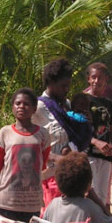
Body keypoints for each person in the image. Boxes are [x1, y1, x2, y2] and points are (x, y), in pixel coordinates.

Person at [0, 88, 50, 223]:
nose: (22, 106)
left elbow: (42, 164)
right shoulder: (5, 132)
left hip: (31, 204)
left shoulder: (43, 134)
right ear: (12, 107)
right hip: (6, 202)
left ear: (34, 109)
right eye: (18, 103)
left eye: (26, 104)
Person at [84, 62, 112, 206]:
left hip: (106, 157)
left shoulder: (108, 104)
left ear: (106, 80)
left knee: (103, 197)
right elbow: (77, 132)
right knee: (89, 193)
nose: (97, 81)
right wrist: (95, 142)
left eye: (100, 78)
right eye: (94, 77)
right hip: (88, 154)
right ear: (88, 79)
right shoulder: (82, 100)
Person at [34, 58, 75, 210]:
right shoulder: (38, 107)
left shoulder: (67, 105)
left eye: (68, 86)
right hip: (48, 176)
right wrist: (54, 157)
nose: (66, 90)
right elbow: (30, 142)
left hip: (66, 176)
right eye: (63, 86)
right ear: (50, 82)